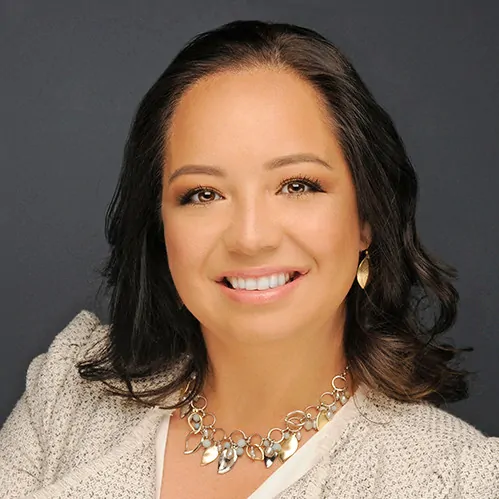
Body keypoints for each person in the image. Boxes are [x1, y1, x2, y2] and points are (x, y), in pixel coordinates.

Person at [0, 19, 497, 499]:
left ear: (366, 216)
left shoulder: (459, 480)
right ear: (160, 227)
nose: (251, 238)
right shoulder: (67, 396)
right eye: (203, 194)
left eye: (297, 185)